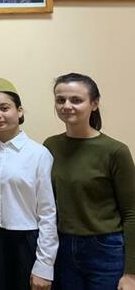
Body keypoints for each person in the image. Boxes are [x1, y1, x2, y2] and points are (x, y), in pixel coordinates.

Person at [44, 73, 135, 290]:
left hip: (105, 248)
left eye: (76, 100)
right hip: (63, 247)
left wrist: (131, 273)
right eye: (60, 100)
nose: (67, 106)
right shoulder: (50, 146)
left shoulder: (115, 151)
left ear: (94, 104)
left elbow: (132, 212)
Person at [0, 78, 57, 290]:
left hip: (23, 244)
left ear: (19, 111)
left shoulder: (38, 154)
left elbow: (47, 213)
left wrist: (44, 265)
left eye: (4, 108)